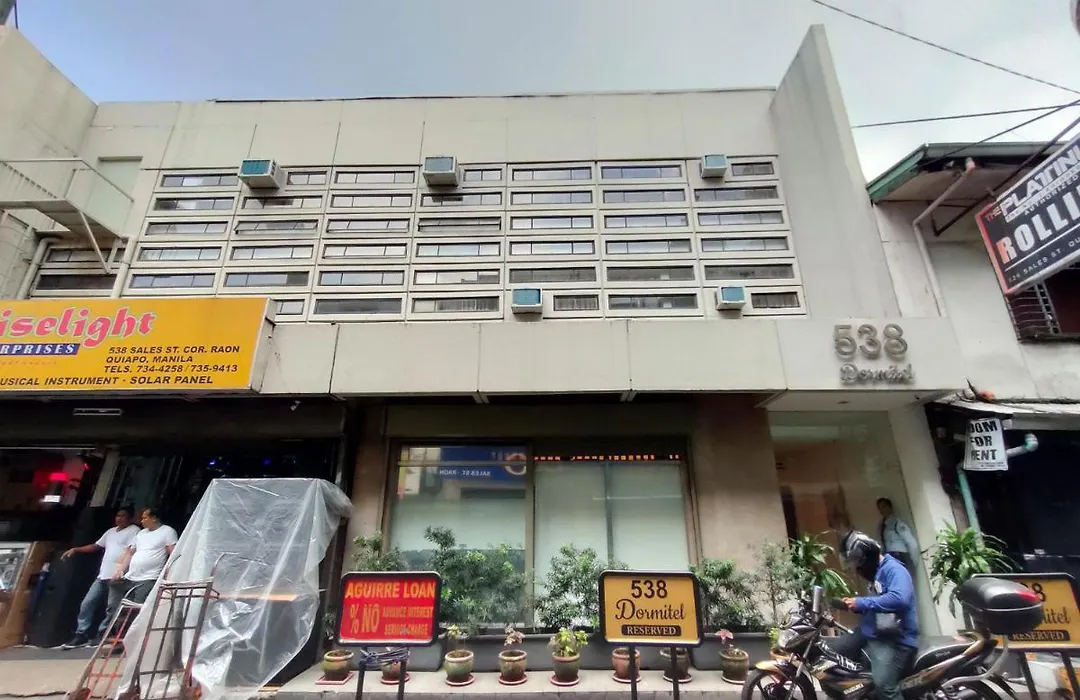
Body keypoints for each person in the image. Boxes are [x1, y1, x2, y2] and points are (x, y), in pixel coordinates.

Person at [832, 531, 919, 700]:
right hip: (877, 634)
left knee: (884, 686)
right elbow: (879, 604)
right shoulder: (878, 572)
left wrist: (862, 603)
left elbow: (899, 598)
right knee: (839, 653)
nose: (857, 568)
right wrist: (855, 606)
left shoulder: (894, 569)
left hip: (897, 640)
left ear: (868, 556)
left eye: (858, 562)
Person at [59, 506, 140, 648]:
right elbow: (96, 546)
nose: (119, 518)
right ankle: (82, 633)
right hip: (102, 575)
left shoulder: (134, 530)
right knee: (87, 603)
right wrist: (76, 549)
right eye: (118, 516)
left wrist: (121, 570)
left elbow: (130, 551)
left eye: (123, 516)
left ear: (130, 518)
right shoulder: (110, 532)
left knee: (112, 607)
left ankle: (103, 634)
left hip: (117, 576)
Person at [109, 508, 178, 608]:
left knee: (137, 607)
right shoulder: (141, 533)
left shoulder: (167, 531)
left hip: (149, 577)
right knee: (119, 605)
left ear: (154, 518)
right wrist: (120, 570)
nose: (141, 521)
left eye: (145, 518)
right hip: (130, 576)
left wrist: (169, 575)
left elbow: (173, 554)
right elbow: (130, 553)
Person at [876, 497, 920, 572]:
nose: (882, 510)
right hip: (890, 558)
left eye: (884, 506)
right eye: (879, 507)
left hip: (900, 556)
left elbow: (912, 544)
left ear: (890, 507)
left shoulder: (897, 523)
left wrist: (912, 563)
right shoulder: (882, 526)